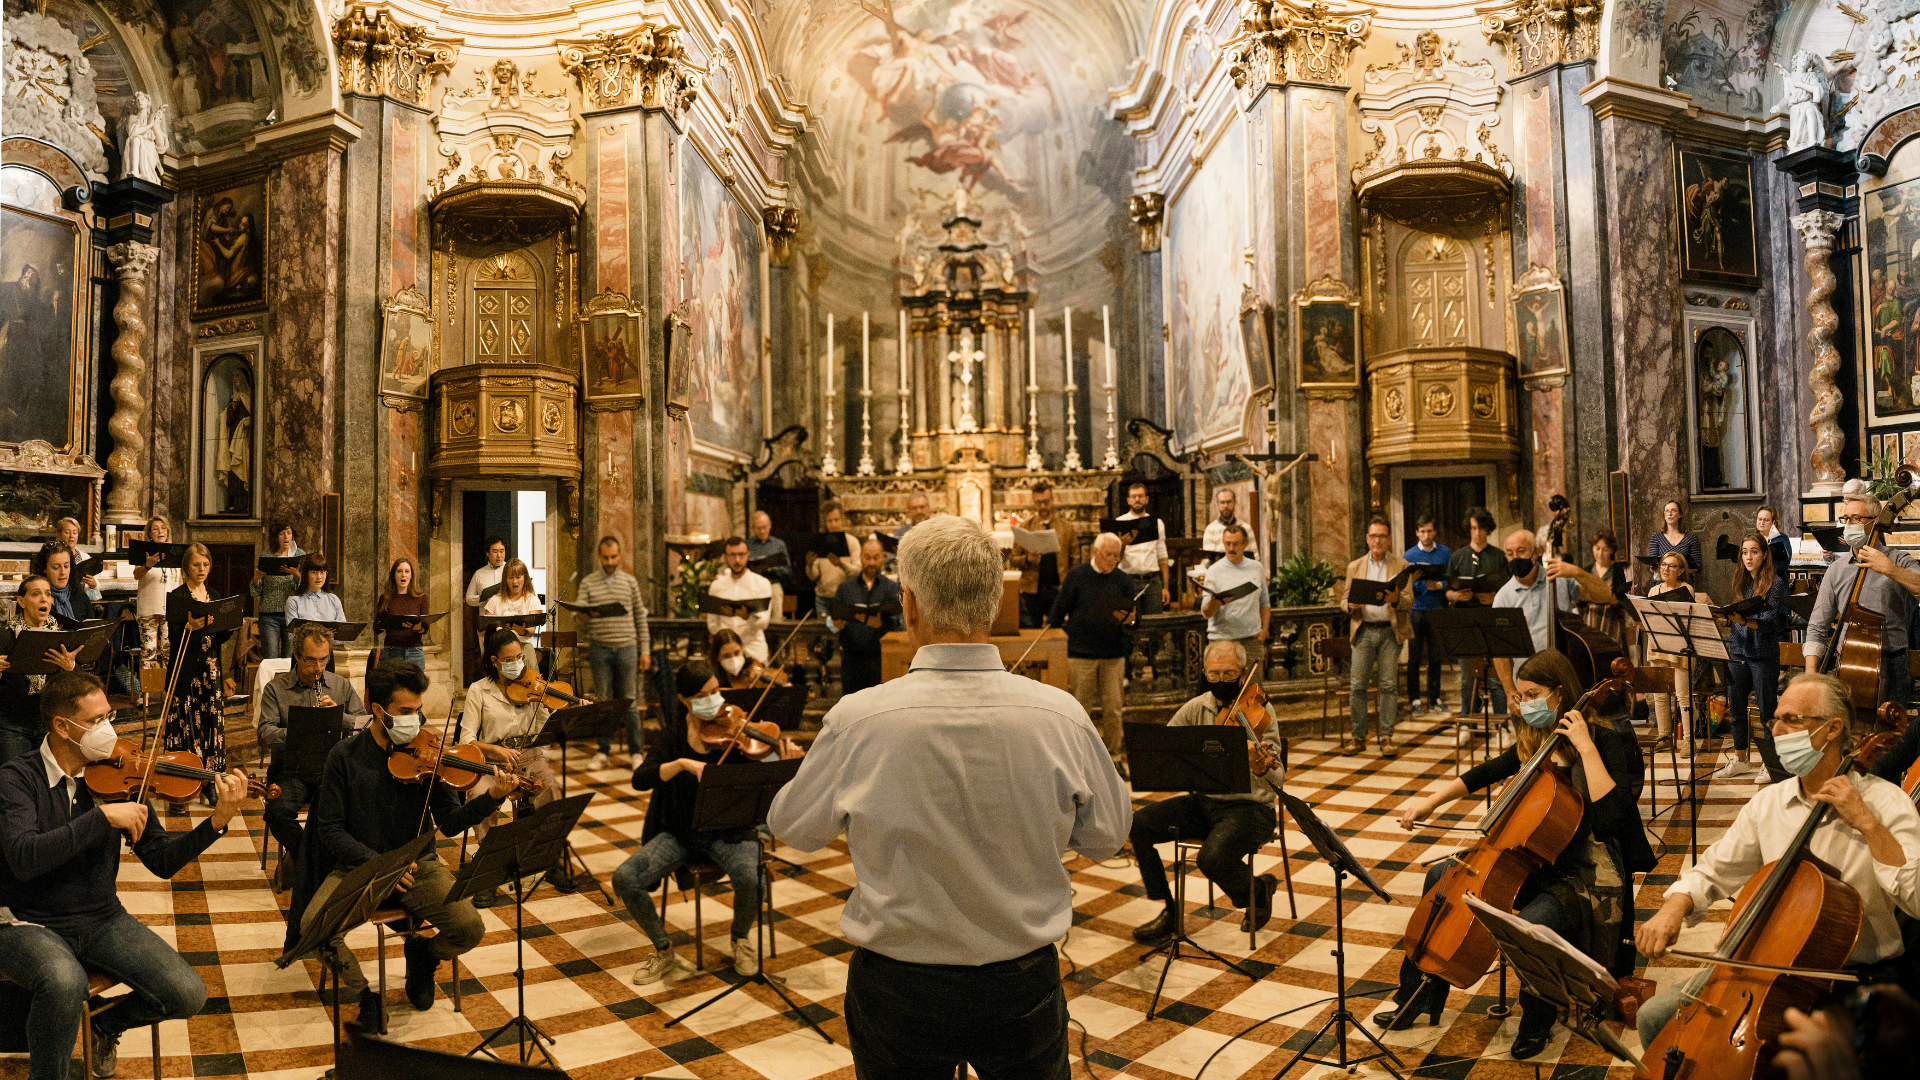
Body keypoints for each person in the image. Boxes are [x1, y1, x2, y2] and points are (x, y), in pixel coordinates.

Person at [768, 515, 1131, 1078]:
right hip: (1020, 980)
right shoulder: (1060, 715)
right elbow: (1108, 837)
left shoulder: (858, 719)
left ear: (907, 604)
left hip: (899, 984)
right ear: (992, 606)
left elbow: (794, 828)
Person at [1635, 672, 1920, 1050]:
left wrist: (1868, 824)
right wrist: (1675, 906)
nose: (1776, 730)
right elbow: (1714, 868)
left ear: (1832, 729)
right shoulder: (1770, 803)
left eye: (1791, 720)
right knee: (1653, 1017)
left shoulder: (1887, 804)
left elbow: (1916, 899)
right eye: (1775, 720)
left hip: (1853, 976)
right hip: (1768, 963)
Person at [1391, 650, 1652, 1058]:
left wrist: (1584, 748)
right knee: (1440, 878)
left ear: (1560, 694)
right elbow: (1486, 772)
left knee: (1532, 926)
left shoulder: (1602, 737)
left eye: (1532, 694)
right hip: (1532, 860)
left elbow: (1612, 817)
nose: (1523, 702)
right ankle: (1419, 994)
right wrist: (1430, 803)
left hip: (1583, 871)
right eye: (1520, 695)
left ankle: (1537, 1019)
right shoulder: (1537, 740)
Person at [0, 671, 248, 1080]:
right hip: (27, 920)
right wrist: (101, 818)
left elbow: (163, 861)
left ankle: (103, 1024)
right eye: (96, 720)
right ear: (63, 727)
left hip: (100, 917)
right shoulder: (16, 778)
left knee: (187, 994)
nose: (108, 730)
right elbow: (25, 857)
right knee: (65, 983)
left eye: (109, 717)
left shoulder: (116, 778)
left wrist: (217, 822)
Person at [292, 660, 514, 1028]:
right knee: (313, 928)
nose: (417, 720)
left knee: (469, 927)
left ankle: (424, 955)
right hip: (360, 866)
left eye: (420, 710)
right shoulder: (344, 758)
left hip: (419, 864)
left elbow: (450, 823)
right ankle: (365, 995)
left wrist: (492, 798)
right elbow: (329, 829)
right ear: (377, 710)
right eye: (406, 712)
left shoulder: (428, 752)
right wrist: (380, 865)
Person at [612, 660, 768, 983]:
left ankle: (740, 938)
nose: (714, 701)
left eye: (716, 692)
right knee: (625, 878)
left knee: (751, 878)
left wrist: (784, 753)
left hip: (729, 833)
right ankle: (664, 949)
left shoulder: (734, 733)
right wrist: (681, 764)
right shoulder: (671, 740)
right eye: (703, 695)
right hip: (681, 834)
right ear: (685, 700)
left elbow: (764, 771)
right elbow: (640, 779)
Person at [1130, 640, 1283, 944]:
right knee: (1138, 824)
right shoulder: (1197, 707)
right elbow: (1166, 746)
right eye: (1214, 674)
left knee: (1210, 858)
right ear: (1204, 673)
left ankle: (1259, 889)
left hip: (1251, 810)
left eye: (1229, 674)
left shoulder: (1260, 710)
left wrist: (1259, 766)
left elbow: (1279, 780)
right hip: (1205, 803)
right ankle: (1170, 911)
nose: (1221, 681)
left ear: (1243, 675)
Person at [256, 624, 368, 889]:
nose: (318, 668)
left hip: (331, 770)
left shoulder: (340, 685)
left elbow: (365, 725)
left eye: (323, 660)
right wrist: (300, 731)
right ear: (297, 655)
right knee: (277, 812)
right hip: (290, 770)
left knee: (357, 807)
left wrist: (338, 718)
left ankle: (304, 861)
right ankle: (309, 858)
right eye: (311, 660)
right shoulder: (276, 688)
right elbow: (264, 733)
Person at [459, 629, 564, 905]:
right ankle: (489, 870)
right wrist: (496, 749)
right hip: (492, 766)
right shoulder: (478, 690)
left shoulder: (531, 685)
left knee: (553, 789)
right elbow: (466, 739)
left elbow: (545, 727)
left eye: (520, 657)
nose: (518, 663)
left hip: (529, 758)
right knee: (479, 797)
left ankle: (549, 859)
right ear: (495, 660)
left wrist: (558, 707)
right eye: (510, 658)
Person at [1804, 480, 1920, 713]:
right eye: (1846, 519)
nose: (1849, 524)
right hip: (1848, 663)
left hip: (1893, 663)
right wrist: (1810, 676)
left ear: (1875, 522)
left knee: (1891, 739)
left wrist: (1889, 569)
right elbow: (1817, 626)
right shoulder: (1836, 570)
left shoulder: (1897, 560)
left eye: (1856, 519)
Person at [1050, 533, 1137, 775]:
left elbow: (1132, 619)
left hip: (1113, 652)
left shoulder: (1123, 580)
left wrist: (1130, 620)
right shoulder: (1077, 576)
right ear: (1095, 553)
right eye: (1109, 554)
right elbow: (1059, 611)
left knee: (1113, 708)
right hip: (1081, 653)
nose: (1113, 560)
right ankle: (1079, 757)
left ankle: (1114, 756)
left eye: (1117, 556)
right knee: (1080, 708)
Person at [1718, 532, 1792, 782]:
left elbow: (1772, 623)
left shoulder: (1776, 582)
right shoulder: (1740, 580)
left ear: (1764, 555)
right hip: (1737, 649)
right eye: (1744, 552)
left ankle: (1770, 764)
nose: (1748, 557)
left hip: (1763, 653)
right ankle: (1740, 759)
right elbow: (1738, 617)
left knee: (1766, 711)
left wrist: (1744, 621)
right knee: (1736, 708)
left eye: (1754, 552)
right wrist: (1726, 619)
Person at [574, 535, 651, 771]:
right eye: (606, 557)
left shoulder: (629, 582)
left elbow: (640, 616)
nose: (610, 561)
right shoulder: (588, 582)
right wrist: (582, 616)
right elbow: (577, 615)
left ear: (620, 555)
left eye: (614, 556)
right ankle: (602, 751)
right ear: (599, 556)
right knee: (603, 702)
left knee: (629, 701)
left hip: (627, 647)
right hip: (600, 648)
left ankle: (636, 753)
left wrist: (645, 650)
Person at [1336, 518, 1411, 756]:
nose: (1377, 540)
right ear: (1367, 538)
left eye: (1382, 536)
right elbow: (1343, 600)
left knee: (1388, 685)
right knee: (1358, 686)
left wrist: (1396, 599)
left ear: (1388, 539)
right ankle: (1359, 737)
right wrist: (1350, 605)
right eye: (1373, 536)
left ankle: (1387, 736)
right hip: (1364, 630)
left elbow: (1409, 600)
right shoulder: (1355, 566)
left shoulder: (1401, 565)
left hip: (1390, 630)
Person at [1490, 529, 1581, 720]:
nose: (1515, 558)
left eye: (1521, 551)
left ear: (1537, 552)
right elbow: (1501, 652)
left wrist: (1577, 572)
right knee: (1529, 748)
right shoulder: (1503, 597)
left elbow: (1604, 596)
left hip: (1563, 682)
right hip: (1527, 689)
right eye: (1509, 553)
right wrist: (1509, 691)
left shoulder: (1559, 580)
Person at [164, 544, 231, 781]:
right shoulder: (178, 596)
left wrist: (229, 625)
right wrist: (190, 628)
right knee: (186, 722)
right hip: (186, 669)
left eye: (205, 564)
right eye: (196, 564)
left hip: (211, 670)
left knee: (211, 724)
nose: (201, 569)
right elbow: (173, 636)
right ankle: (183, 779)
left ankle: (211, 781)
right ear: (187, 568)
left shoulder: (214, 594)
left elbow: (219, 637)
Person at [0, 576, 81, 762]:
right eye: (36, 594)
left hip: (49, 721)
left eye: (48, 594)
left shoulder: (60, 636)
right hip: (13, 724)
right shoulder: (6, 637)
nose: (44, 599)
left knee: (47, 780)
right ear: (21, 601)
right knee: (15, 780)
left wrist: (71, 667)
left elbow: (80, 683)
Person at [1638, 549, 1708, 751]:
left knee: (1682, 694)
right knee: (1660, 694)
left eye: (1671, 566)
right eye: (1663, 565)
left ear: (1680, 570)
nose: (1666, 569)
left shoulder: (1686, 589)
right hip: (1658, 643)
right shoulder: (1653, 591)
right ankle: (1664, 737)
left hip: (1679, 646)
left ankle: (1688, 740)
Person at [1447, 509, 1510, 716]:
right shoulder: (1458, 557)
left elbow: (1510, 589)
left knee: (1496, 677)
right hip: (1466, 620)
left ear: (1488, 530)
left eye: (1481, 528)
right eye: (1474, 528)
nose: (1477, 533)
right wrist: (1456, 597)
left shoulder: (1499, 557)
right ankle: (1468, 720)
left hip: (1492, 619)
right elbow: (1446, 590)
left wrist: (1495, 597)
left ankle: (1501, 722)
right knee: (1467, 678)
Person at [834, 536, 902, 695]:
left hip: (880, 659)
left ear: (883, 558)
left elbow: (895, 620)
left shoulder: (891, 588)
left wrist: (880, 621)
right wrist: (837, 623)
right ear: (860, 558)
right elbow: (835, 618)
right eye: (867, 558)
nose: (871, 563)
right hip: (851, 660)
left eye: (876, 558)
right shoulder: (845, 588)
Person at [1202, 523, 1269, 678]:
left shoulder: (1256, 568)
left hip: (1251, 641)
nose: (1231, 548)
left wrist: (1264, 631)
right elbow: (1206, 612)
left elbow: (1265, 603)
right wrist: (1216, 602)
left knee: (1252, 693)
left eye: (1236, 544)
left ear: (1245, 544)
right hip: (1222, 642)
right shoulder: (1214, 571)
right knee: (1224, 692)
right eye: (1227, 544)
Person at [1010, 480, 1077, 629]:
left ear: (1052, 500)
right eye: (1038, 503)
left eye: (1046, 502)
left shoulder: (1066, 528)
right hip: (1032, 589)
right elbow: (1013, 559)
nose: (1042, 506)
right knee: (1031, 630)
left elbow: (1075, 559)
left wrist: (1069, 585)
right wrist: (1027, 559)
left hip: (1058, 589)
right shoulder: (1026, 527)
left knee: (1057, 631)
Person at [1404, 515, 1452, 716]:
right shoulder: (1409, 555)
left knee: (1435, 657)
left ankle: (1435, 699)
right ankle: (1415, 700)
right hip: (1415, 610)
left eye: (1429, 531)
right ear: (1417, 533)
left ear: (1435, 532)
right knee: (1414, 658)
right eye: (1422, 531)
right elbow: (1405, 585)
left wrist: (1439, 585)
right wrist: (1422, 584)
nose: (1426, 535)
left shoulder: (1445, 552)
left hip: (1436, 610)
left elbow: (1451, 579)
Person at [705, 537, 773, 661]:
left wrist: (748, 616)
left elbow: (764, 622)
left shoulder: (762, 583)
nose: (737, 560)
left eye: (741, 555)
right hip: (727, 655)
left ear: (747, 555)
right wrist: (729, 642)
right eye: (732, 555)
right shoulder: (716, 586)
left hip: (754, 652)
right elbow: (712, 624)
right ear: (725, 557)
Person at [250, 522, 304, 659]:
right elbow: (255, 592)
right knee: (270, 658)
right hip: (269, 616)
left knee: (290, 658)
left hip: (291, 615)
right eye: (282, 533)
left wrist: (297, 576)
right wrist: (256, 579)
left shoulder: (299, 555)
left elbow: (305, 590)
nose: (286, 537)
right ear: (276, 537)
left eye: (289, 533)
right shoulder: (267, 555)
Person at [1116, 482, 1170, 615]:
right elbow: (1115, 561)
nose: (1137, 499)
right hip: (1128, 580)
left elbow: (1162, 556)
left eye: (1140, 496)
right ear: (1128, 501)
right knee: (1130, 623)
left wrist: (1166, 587)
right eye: (1133, 497)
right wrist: (1122, 545)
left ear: (1146, 499)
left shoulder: (1157, 523)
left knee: (1154, 624)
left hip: (1152, 581)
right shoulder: (1120, 523)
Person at [134, 515, 179, 660]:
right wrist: (148, 565)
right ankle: (149, 683)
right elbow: (136, 575)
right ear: (149, 534)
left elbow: (179, 582)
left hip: (170, 611)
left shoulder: (174, 552)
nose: (161, 531)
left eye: (163, 528)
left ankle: (167, 683)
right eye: (156, 529)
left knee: (169, 653)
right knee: (148, 654)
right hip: (149, 611)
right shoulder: (143, 551)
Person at [373, 556, 429, 673]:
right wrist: (386, 623)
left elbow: (425, 628)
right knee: (393, 688)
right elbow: (376, 628)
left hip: (414, 651)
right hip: (392, 651)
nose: (403, 575)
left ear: (411, 575)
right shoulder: (385, 598)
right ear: (394, 575)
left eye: (407, 571)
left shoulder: (421, 597)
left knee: (414, 689)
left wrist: (416, 627)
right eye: (399, 571)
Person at [805, 502, 860, 619]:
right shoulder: (819, 542)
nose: (834, 524)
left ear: (842, 520)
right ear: (825, 522)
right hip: (823, 599)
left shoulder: (852, 542)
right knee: (825, 635)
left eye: (836, 520)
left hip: (846, 598)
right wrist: (809, 565)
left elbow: (858, 571)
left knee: (845, 635)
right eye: (830, 521)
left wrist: (841, 564)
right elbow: (813, 576)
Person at [481, 557, 543, 650]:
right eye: (510, 578)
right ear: (505, 579)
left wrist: (520, 630)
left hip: (523, 646)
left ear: (525, 578)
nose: (514, 581)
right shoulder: (495, 600)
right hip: (500, 648)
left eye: (518, 577)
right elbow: (484, 631)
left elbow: (531, 631)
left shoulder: (532, 600)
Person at [33, 544, 95, 628]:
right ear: (44, 569)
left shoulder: (78, 593)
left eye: (66, 566)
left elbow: (93, 628)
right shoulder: (35, 598)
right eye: (56, 567)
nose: (63, 572)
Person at [745, 511, 791, 614]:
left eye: (764, 527)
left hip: (772, 583)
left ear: (770, 524)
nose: (762, 531)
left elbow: (787, 570)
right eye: (758, 528)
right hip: (753, 585)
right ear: (753, 528)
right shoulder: (747, 545)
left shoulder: (779, 545)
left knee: (776, 617)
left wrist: (771, 568)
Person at [284, 553, 346, 627]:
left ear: (326, 574)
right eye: (314, 572)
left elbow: (342, 632)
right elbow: (292, 635)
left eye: (322, 572)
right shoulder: (293, 601)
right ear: (306, 574)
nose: (319, 577)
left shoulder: (334, 600)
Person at [1648, 498, 1702, 572]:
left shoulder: (1691, 537)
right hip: (1663, 582)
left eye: (1673, 510)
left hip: (1683, 581)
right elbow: (1654, 567)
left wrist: (1677, 572)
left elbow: (1698, 566)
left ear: (1680, 514)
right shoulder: (1656, 537)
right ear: (1664, 515)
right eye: (1667, 511)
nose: (1669, 514)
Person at [463, 535, 507, 607]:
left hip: (507, 616)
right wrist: (482, 598)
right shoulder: (479, 573)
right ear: (488, 553)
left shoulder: (511, 570)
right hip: (486, 616)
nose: (499, 555)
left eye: (502, 551)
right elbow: (468, 598)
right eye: (495, 552)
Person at [1756, 503, 1793, 579]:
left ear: (1774, 523)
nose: (1762, 523)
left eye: (1766, 520)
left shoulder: (1781, 538)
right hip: (1757, 582)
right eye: (1759, 519)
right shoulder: (1753, 539)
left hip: (1776, 581)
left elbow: (1784, 566)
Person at [1200, 487, 1241, 556]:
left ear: (1234, 502)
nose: (1225, 506)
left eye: (1229, 502)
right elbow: (1209, 560)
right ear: (1218, 504)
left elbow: (1254, 557)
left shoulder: (1246, 528)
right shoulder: (1210, 530)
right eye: (1222, 502)